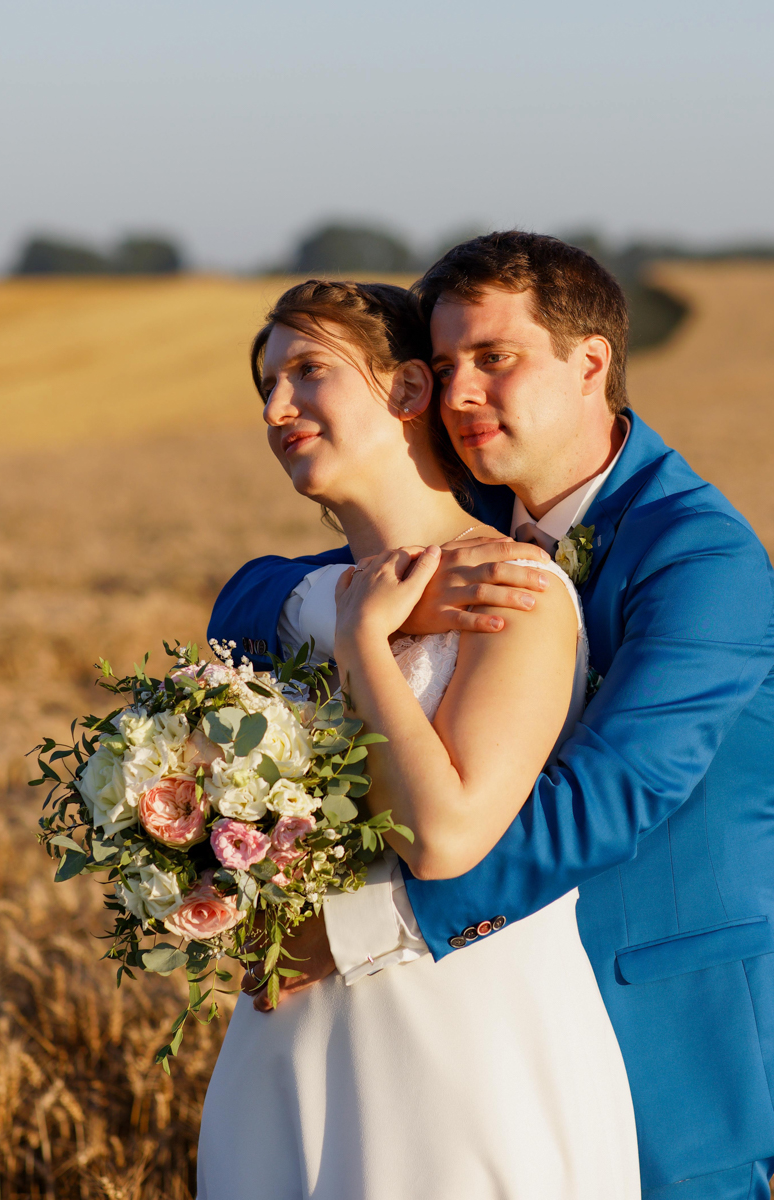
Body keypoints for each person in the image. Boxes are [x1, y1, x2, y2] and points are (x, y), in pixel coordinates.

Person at [210, 233, 774, 1199]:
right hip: (466, 1037)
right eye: (446, 364)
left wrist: (352, 934)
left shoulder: (699, 555)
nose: (462, 393)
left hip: (665, 1031)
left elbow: (607, 799)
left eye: (494, 359)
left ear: (591, 363)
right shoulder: (473, 520)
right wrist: (368, 610)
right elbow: (252, 596)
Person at [195, 278, 643, 1199]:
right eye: (267, 386)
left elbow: (441, 839)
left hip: (463, 1042)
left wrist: (366, 643)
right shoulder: (287, 604)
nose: (278, 408)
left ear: (405, 392)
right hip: (289, 1032)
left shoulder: (514, 591)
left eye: (308, 372)